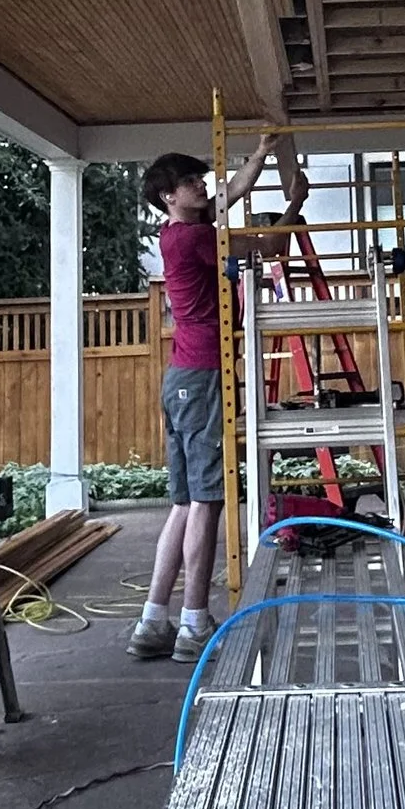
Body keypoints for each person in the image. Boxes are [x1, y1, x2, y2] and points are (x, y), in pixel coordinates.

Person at [130, 136, 281, 661]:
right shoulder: (194, 239)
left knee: (182, 503)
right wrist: (289, 217)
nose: (203, 184)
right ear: (170, 196)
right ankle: (194, 624)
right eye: (192, 181)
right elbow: (257, 248)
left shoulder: (180, 232)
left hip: (182, 379)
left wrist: (261, 154)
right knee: (209, 501)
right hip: (202, 377)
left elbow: (231, 194)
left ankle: (153, 622)